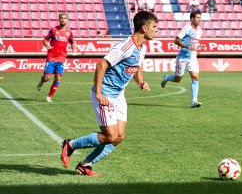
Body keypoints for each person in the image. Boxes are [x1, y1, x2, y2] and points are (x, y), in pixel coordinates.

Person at [60, 11, 158, 176]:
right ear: (144, 28)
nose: (156, 30)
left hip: (119, 95)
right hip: (105, 93)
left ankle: (85, 165)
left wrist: (141, 82)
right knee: (110, 136)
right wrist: (98, 93)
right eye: (154, 27)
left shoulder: (141, 48)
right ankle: (70, 145)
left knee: (119, 137)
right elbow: (101, 65)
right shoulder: (125, 47)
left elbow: (137, 67)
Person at [160, 12, 207, 108]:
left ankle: (194, 100)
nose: (199, 19)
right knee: (178, 79)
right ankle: (167, 78)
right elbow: (176, 40)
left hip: (193, 57)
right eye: (197, 17)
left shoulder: (200, 31)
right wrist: (187, 47)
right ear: (192, 19)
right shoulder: (187, 28)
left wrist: (199, 46)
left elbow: (194, 43)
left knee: (195, 77)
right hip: (183, 58)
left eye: (200, 17)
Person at [37, 13, 77, 103]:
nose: (63, 20)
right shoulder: (53, 30)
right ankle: (41, 80)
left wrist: (74, 50)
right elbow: (45, 40)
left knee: (58, 78)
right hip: (51, 57)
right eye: (61, 18)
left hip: (61, 58)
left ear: (67, 20)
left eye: (64, 18)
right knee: (47, 78)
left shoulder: (69, 32)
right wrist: (47, 45)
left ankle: (49, 97)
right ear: (59, 19)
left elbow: (72, 42)